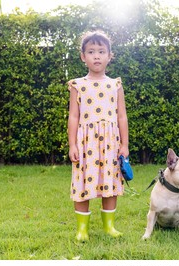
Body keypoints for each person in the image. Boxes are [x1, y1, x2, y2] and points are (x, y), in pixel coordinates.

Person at [67, 30, 129, 241]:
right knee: (82, 183)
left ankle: (109, 226)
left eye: (101, 51)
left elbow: (122, 117)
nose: (96, 56)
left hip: (111, 143)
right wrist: (72, 145)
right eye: (91, 51)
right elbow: (73, 117)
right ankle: (82, 229)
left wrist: (125, 145)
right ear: (83, 56)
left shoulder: (115, 85)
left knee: (109, 184)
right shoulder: (77, 85)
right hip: (85, 144)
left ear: (110, 56)